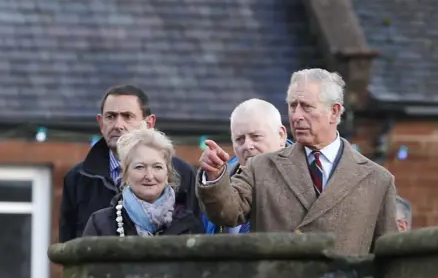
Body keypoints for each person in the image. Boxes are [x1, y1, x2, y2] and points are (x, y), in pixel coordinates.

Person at [197, 68, 397, 255]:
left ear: (334, 112)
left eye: (307, 107)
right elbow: (227, 213)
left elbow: (387, 253)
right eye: (293, 106)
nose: (297, 116)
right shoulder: (261, 167)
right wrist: (215, 176)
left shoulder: (377, 180)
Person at [59, 84, 198, 241]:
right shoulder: (77, 178)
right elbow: (67, 248)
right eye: (110, 116)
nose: (118, 125)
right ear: (100, 123)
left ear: (150, 123)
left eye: (127, 116)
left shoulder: (182, 173)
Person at [83, 128, 204, 237]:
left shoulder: (189, 224)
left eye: (157, 167)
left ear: (167, 174)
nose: (149, 176)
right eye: (140, 167)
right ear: (125, 175)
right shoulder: (100, 224)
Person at [203, 98, 290, 235]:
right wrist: (214, 178)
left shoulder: (305, 174)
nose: (247, 146)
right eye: (239, 139)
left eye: (256, 137)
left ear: (281, 135)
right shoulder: (220, 179)